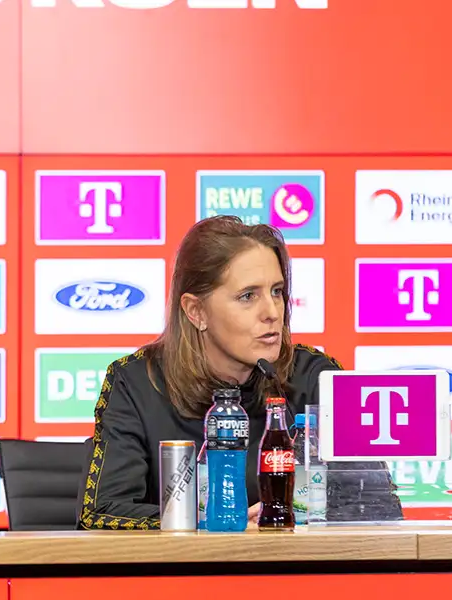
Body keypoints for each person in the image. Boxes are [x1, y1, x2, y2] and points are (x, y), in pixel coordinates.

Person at [77, 215, 403, 530]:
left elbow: (379, 506)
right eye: (248, 296)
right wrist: (215, 523)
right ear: (196, 311)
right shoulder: (136, 381)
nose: (273, 312)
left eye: (277, 291)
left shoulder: (316, 378)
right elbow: (103, 511)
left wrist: (296, 513)